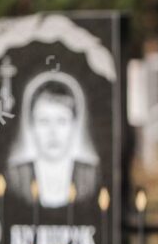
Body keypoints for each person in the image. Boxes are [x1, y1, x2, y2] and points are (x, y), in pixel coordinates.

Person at [7, 72, 99, 207]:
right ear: (31, 125)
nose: (53, 132)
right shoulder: (17, 176)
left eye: (62, 121)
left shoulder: (89, 175)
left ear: (75, 125)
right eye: (44, 121)